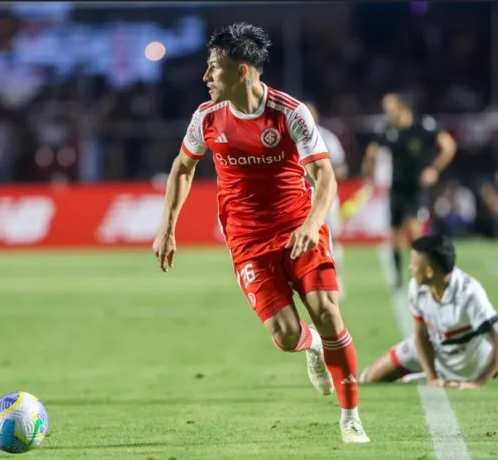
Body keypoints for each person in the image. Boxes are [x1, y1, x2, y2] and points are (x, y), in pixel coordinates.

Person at [151, 23, 369, 444]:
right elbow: (182, 167)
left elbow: (324, 176)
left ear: (243, 72)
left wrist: (311, 224)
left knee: (327, 311)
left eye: (214, 68)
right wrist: (167, 228)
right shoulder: (207, 118)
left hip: (297, 229)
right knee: (287, 335)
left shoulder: (289, 113)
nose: (206, 76)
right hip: (247, 242)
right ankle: (313, 348)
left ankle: (350, 417)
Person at [359, 234, 498, 388]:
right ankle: (428, 375)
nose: (410, 268)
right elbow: (421, 336)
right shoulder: (417, 287)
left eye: (414, 264)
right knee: (369, 378)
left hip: (466, 359)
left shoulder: (470, 293)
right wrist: (432, 377)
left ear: (429, 272)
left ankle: (487, 366)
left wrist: (476, 382)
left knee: (484, 361)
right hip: (435, 345)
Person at [362, 94, 457, 291]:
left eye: (390, 107)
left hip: (417, 188)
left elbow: (448, 146)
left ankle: (423, 274)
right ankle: (397, 279)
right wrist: (369, 176)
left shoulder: (424, 126)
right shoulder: (387, 130)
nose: (387, 111)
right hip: (397, 188)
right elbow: (371, 153)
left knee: (414, 231)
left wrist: (434, 169)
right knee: (395, 236)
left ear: (402, 107)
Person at [304, 101, 349, 299]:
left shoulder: (327, 138)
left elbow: (342, 167)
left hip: (325, 196)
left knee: (332, 238)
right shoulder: (289, 135)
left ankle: (336, 279)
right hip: (300, 197)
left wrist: (325, 173)